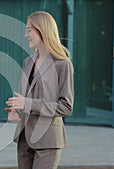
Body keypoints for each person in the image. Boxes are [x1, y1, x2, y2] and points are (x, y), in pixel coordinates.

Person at [5, 11, 74, 169]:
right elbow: (26, 97)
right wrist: (18, 111)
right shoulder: (28, 62)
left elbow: (66, 106)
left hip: (47, 140)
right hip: (24, 139)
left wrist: (28, 104)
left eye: (29, 30)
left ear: (42, 29)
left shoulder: (63, 65)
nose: (26, 34)